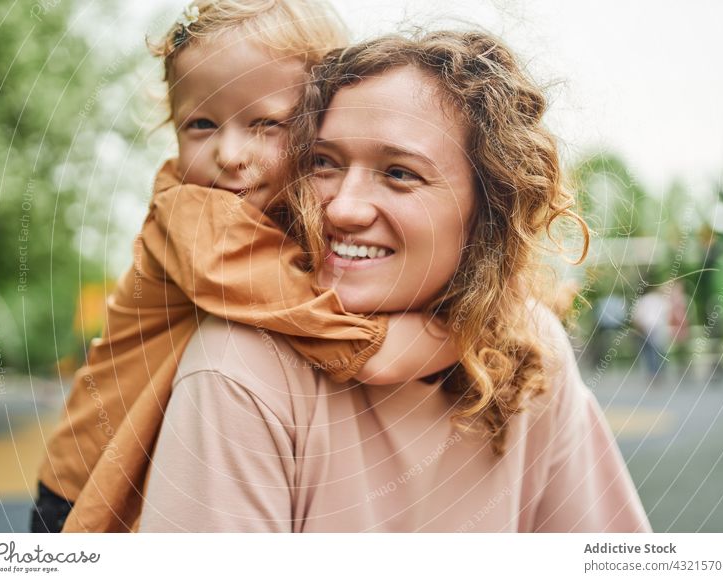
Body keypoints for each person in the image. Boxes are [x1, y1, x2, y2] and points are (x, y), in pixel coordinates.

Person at [139, 30, 652, 532]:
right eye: (324, 163)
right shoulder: (241, 368)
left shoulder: (531, 347)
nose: (343, 207)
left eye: (400, 172)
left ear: (487, 209)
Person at [34, 0, 457, 534]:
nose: (230, 153)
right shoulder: (193, 216)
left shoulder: (299, 209)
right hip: (90, 482)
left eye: (265, 124)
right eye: (201, 123)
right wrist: (450, 332)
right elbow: (309, 313)